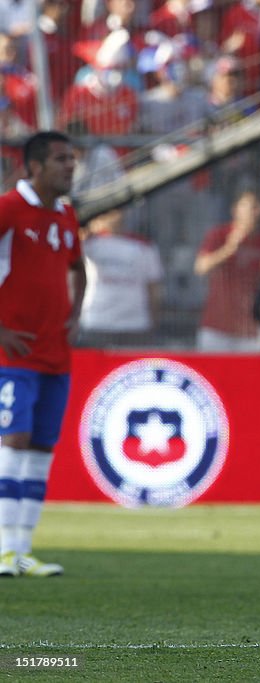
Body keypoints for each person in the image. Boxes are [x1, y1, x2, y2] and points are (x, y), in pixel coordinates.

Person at [0, 131, 86, 577]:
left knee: (40, 449)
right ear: (33, 166)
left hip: (55, 353)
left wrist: (74, 316)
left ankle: (21, 550)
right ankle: (1, 549)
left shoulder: (66, 215)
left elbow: (77, 268)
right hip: (14, 354)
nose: (70, 167)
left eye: (71, 159)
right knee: (12, 442)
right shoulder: (8, 208)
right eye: (60, 160)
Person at [194, 190, 260, 352]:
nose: (255, 212)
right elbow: (201, 267)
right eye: (251, 206)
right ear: (236, 210)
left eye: (258, 207)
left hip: (251, 327)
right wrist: (228, 250)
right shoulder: (219, 235)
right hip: (217, 326)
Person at [79, 208, 163, 349]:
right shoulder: (90, 243)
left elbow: (153, 287)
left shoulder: (144, 246)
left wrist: (153, 319)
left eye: (117, 211)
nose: (114, 216)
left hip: (135, 325)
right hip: (97, 322)